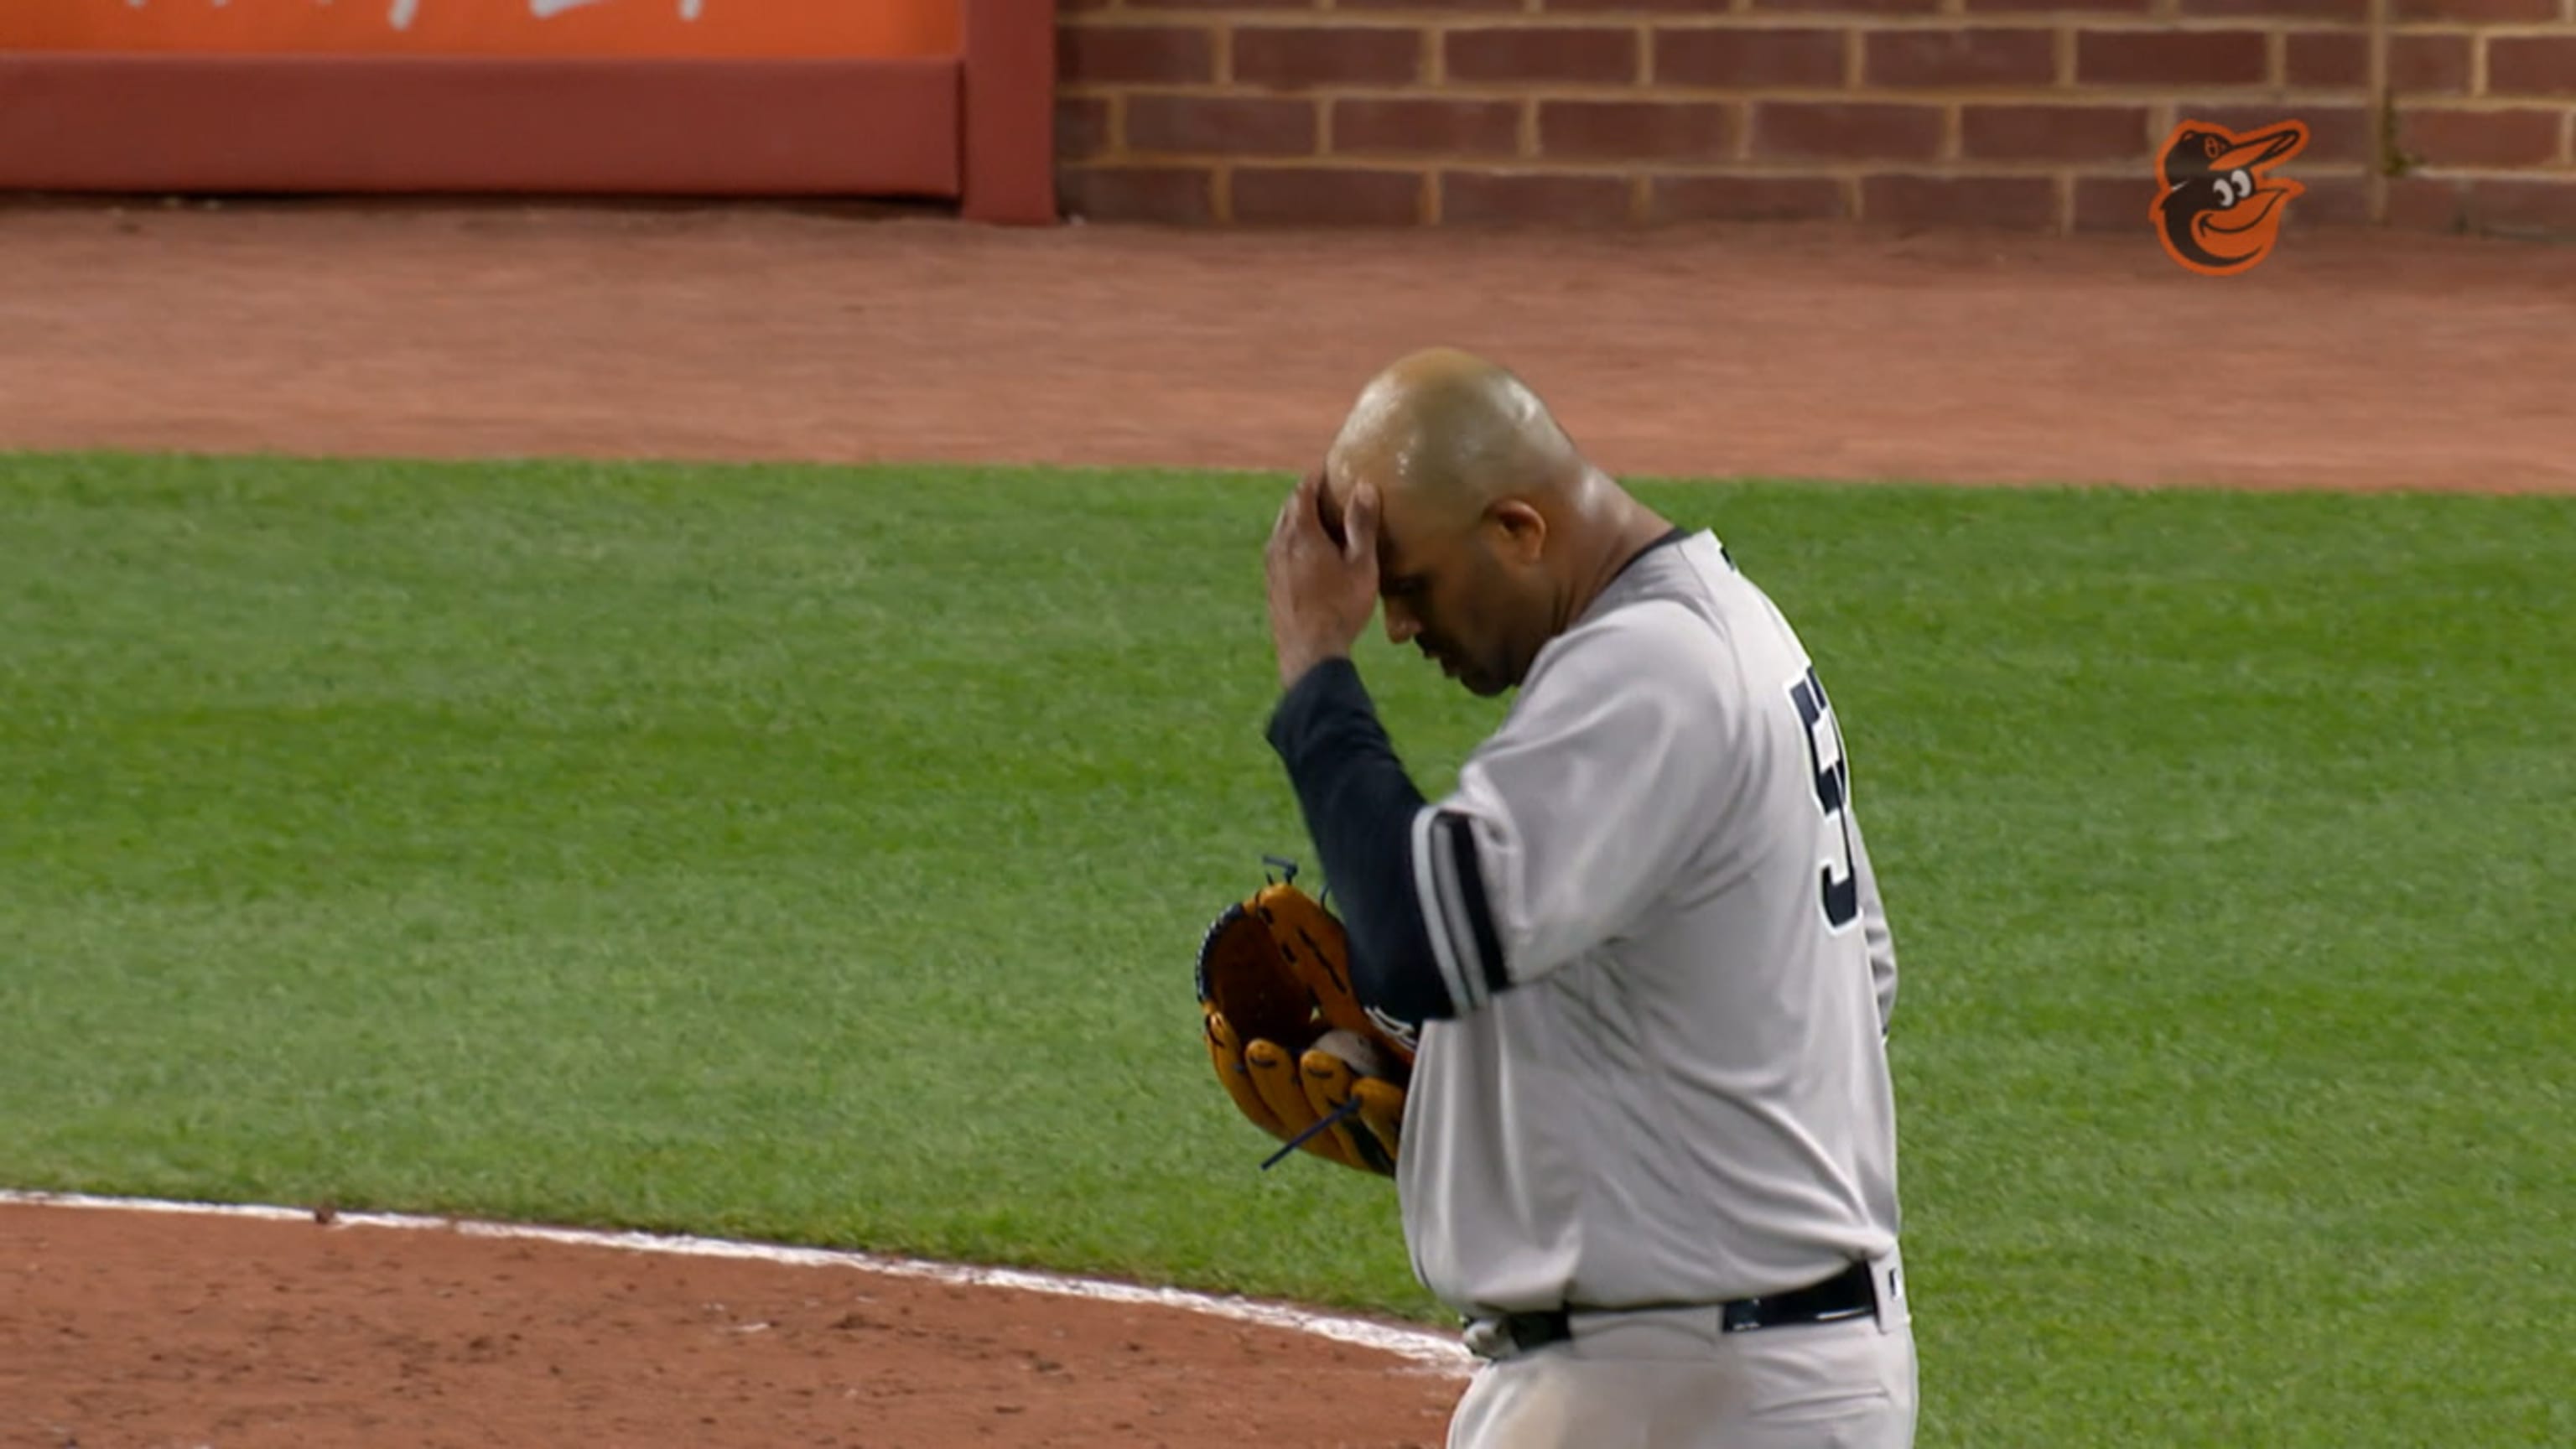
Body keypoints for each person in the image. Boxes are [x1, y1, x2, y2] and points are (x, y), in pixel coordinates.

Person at [1259, 345, 1916, 1448]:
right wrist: (1493, 1107)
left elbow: (1420, 940)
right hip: (1738, 1366)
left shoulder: (1651, 664)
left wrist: (1318, 670)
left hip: (1681, 1388)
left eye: (1409, 586)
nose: (1399, 628)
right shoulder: (1732, 622)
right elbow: (1849, 990)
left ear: (1520, 529)